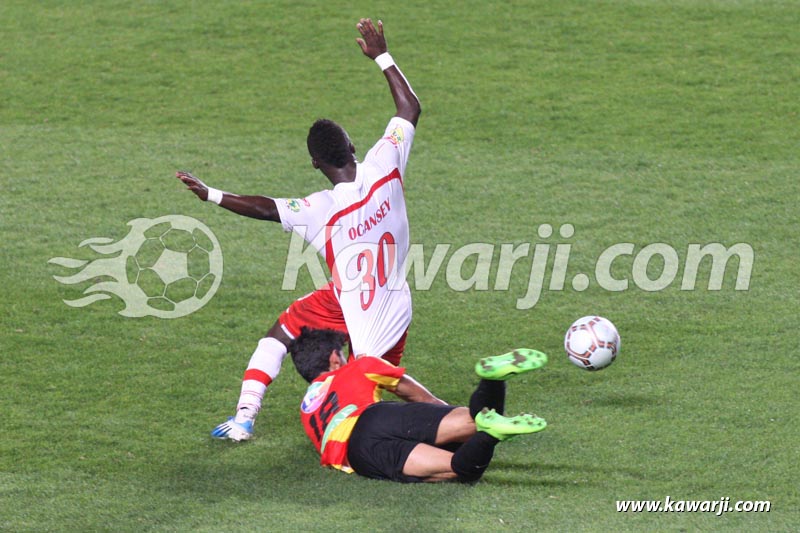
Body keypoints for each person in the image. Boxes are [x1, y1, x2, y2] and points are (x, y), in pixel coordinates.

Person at [175, 18, 421, 441]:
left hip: (358, 304)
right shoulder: (385, 163)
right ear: (353, 148)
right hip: (393, 302)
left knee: (356, 397)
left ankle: (245, 420)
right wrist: (381, 54)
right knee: (374, 375)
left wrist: (211, 194)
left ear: (315, 164)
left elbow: (266, 209)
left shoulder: (318, 209)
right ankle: (445, 419)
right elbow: (409, 108)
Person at [290, 328, 548, 483]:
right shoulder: (360, 366)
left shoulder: (306, 409)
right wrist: (453, 422)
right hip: (377, 417)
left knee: (462, 468)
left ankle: (492, 433)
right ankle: (492, 380)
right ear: (335, 358)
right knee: (474, 421)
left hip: (360, 454)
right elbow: (424, 399)